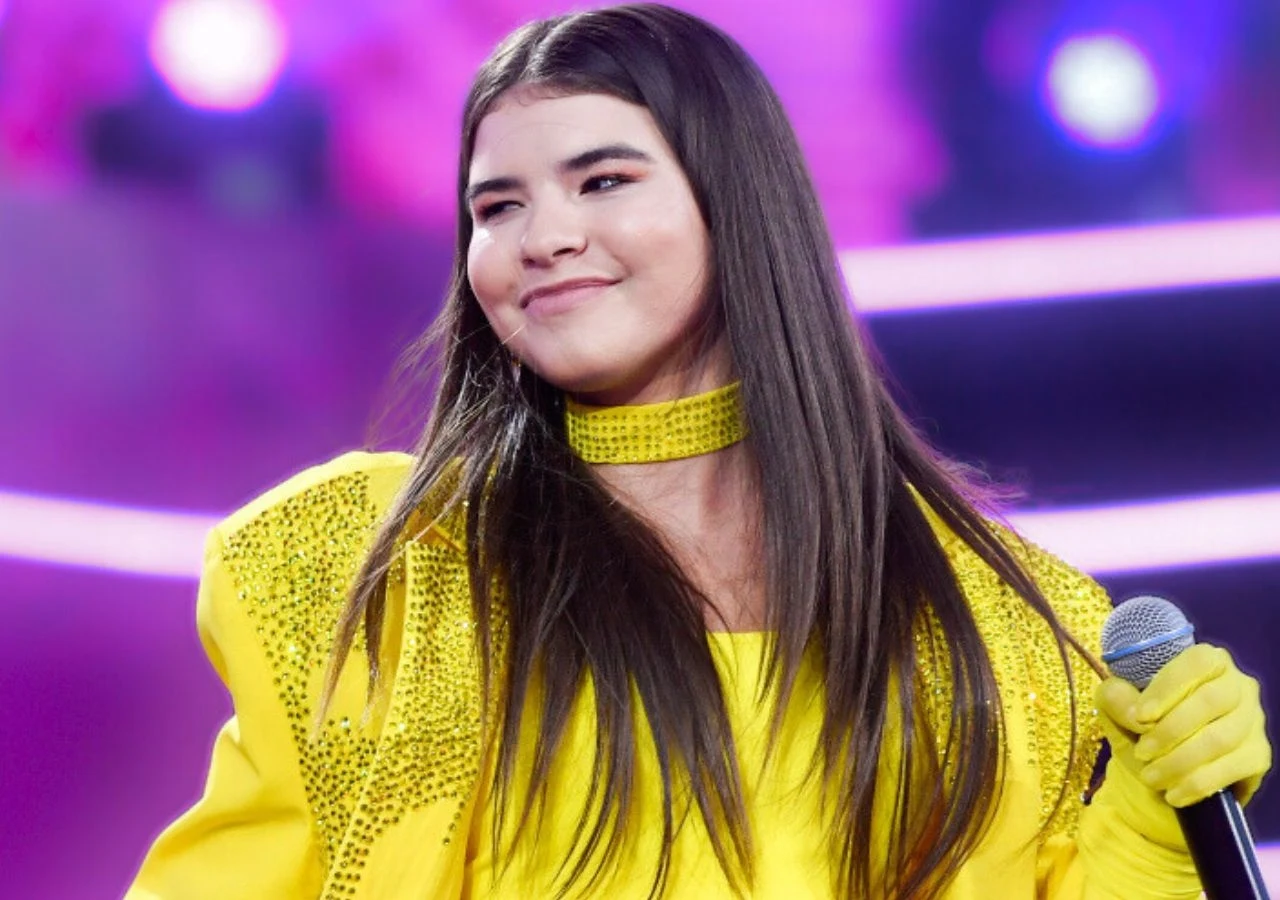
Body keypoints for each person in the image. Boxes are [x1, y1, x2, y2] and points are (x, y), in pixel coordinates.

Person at [126, 5, 1272, 898]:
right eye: (496, 207)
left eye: (602, 181)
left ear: (737, 205)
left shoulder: (991, 624)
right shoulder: (382, 573)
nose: (543, 237)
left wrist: (1150, 834)